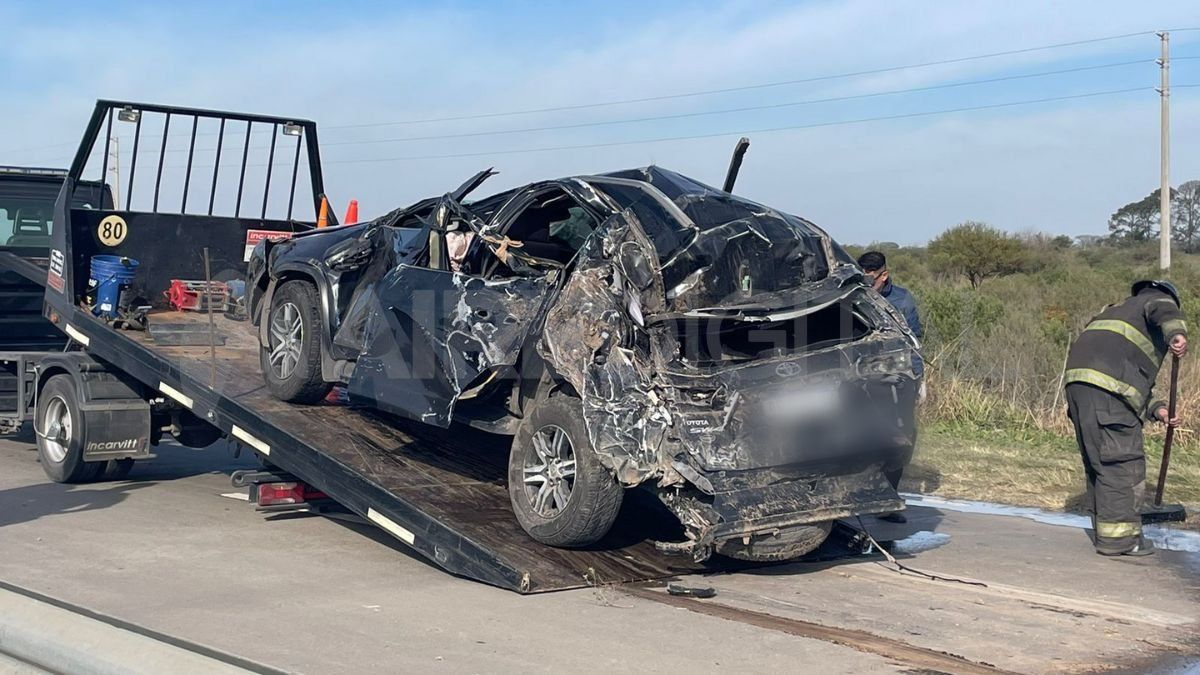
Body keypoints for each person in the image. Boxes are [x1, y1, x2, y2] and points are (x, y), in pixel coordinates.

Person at [1064, 279, 1188, 557]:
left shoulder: (1114, 312)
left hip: (1080, 389)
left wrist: (1159, 410)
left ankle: (1105, 531)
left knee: (1099, 462)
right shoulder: (1157, 300)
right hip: (1108, 391)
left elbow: (1129, 382)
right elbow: (1165, 309)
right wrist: (1177, 333)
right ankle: (1120, 542)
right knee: (1122, 464)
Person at [858, 250, 924, 523]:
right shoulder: (853, 297)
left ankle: (888, 499)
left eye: (870, 279)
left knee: (900, 436)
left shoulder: (902, 300)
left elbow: (915, 338)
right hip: (862, 380)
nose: (866, 284)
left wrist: (916, 379)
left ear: (883, 276)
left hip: (899, 379)